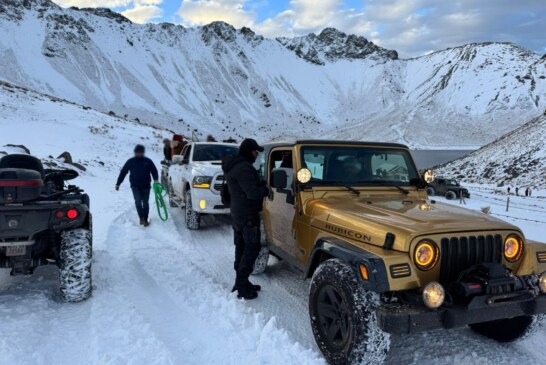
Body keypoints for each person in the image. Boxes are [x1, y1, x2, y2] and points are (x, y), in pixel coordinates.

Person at [222, 139, 269, 300]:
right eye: (256, 152)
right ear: (249, 151)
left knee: (241, 247)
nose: (257, 155)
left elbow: (244, 187)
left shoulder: (234, 165)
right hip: (248, 214)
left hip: (238, 212)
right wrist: (265, 189)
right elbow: (253, 193)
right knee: (251, 250)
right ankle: (241, 286)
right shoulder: (244, 168)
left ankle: (241, 282)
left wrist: (258, 183)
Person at [116, 145, 159, 227]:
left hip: (146, 185)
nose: (139, 154)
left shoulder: (148, 161)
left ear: (143, 153)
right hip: (135, 185)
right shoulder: (130, 161)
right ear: (135, 152)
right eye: (137, 152)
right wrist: (118, 183)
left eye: (140, 152)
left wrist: (156, 179)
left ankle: (145, 219)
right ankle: (141, 218)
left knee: (145, 203)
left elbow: (154, 170)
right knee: (138, 201)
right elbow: (123, 172)